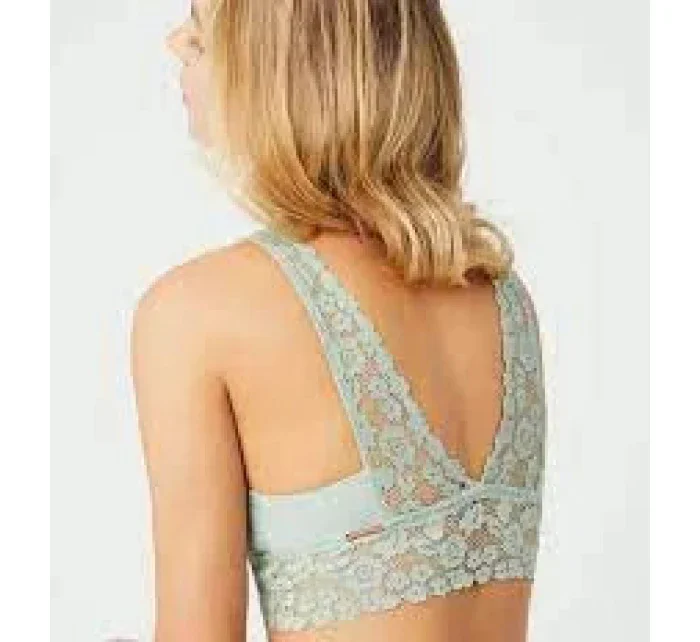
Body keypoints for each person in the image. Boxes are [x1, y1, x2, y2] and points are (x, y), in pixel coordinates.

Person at [131, 1, 548, 640]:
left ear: (280, 69)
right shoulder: (500, 297)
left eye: (204, 32)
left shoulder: (200, 311)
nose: (175, 40)